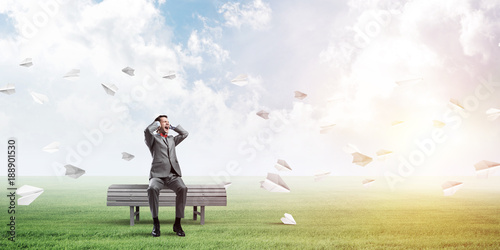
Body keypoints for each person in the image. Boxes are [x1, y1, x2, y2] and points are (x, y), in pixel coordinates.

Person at [144, 115, 189, 237]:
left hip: (172, 175)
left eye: (168, 122)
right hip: (157, 175)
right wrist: (157, 123)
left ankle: (177, 224)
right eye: (164, 122)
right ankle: (156, 223)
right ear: (158, 126)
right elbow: (147, 131)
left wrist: (172, 127)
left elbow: (185, 134)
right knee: (152, 189)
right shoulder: (152, 139)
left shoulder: (172, 139)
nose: (167, 123)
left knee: (183, 188)